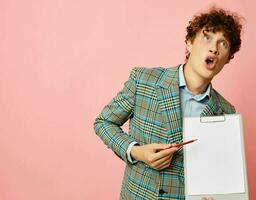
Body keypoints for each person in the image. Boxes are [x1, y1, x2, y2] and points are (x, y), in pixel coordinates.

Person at [94, 6, 243, 200]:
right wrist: (137, 151)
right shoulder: (144, 80)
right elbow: (103, 122)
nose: (214, 48)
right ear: (189, 43)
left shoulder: (226, 113)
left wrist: (215, 195)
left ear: (227, 59)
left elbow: (217, 175)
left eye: (223, 43)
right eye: (207, 38)